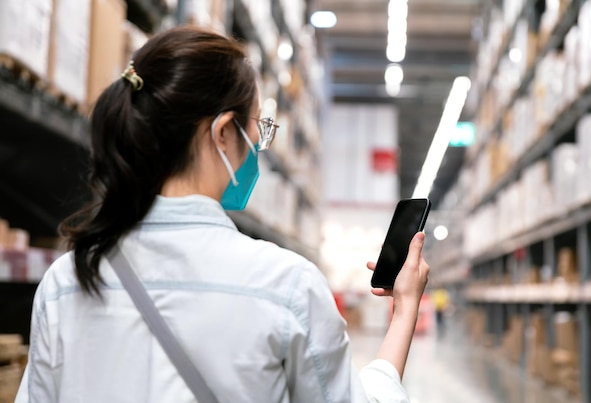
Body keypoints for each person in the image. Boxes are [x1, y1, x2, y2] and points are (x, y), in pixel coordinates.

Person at [15, 26, 430, 402]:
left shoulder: (65, 283)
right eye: (259, 129)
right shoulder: (286, 288)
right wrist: (405, 308)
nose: (259, 146)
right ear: (224, 133)